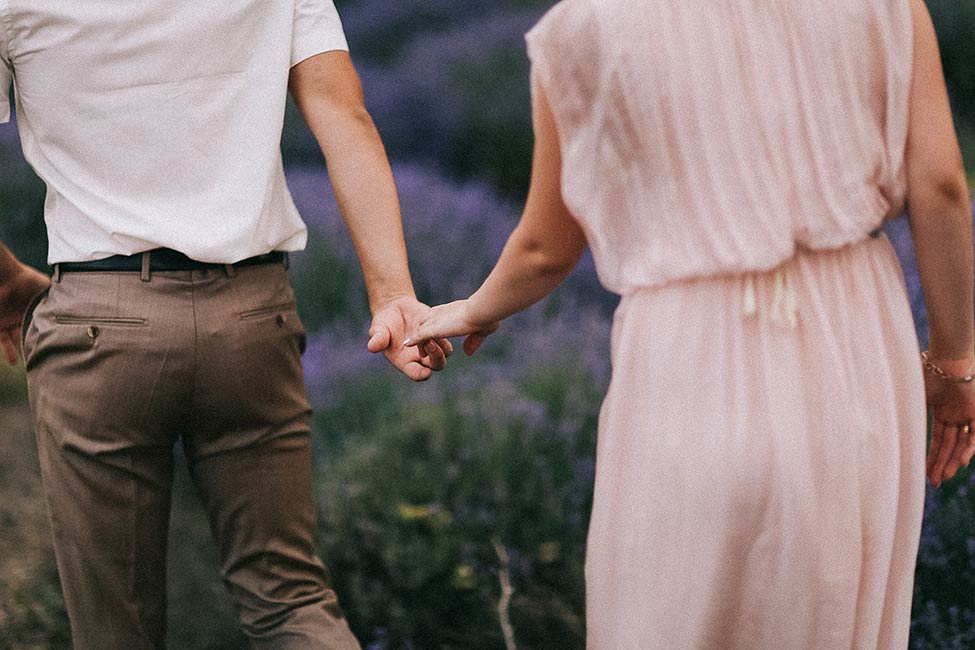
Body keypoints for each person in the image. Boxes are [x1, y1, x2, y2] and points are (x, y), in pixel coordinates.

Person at [406, 0, 975, 647]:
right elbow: (939, 186)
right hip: (850, 337)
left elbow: (546, 245)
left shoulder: (583, 27)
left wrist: (474, 308)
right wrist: (954, 364)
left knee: (671, 612)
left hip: (687, 348)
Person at [0, 1, 450, 648]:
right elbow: (344, 117)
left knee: (113, 627)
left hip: (100, 327)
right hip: (251, 314)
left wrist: (7, 280)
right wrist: (392, 293)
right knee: (290, 602)